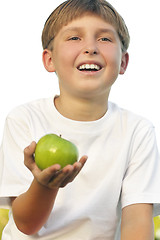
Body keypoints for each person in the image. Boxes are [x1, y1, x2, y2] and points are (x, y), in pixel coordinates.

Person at [0, 0, 160, 239]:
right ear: (49, 60)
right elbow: (26, 225)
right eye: (74, 38)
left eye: (105, 39)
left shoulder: (138, 131)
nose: (90, 48)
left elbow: (137, 223)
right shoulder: (24, 119)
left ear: (123, 62)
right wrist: (45, 185)